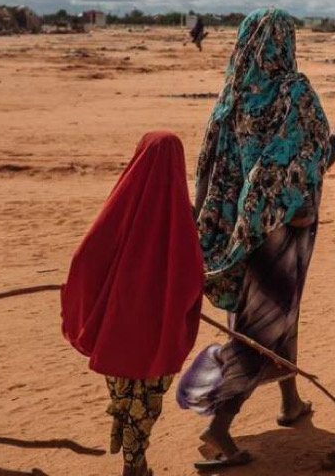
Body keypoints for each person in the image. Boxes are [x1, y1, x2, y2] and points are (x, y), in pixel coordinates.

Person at [176, 8, 335, 469]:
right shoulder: (292, 92)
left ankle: (290, 402)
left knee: (280, 310)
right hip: (285, 228)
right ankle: (219, 424)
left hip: (238, 232)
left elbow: (210, 172)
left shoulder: (232, 98)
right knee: (263, 323)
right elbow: (316, 159)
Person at [61, 131, 205, 476]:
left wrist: (85, 298)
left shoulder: (121, 202)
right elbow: (191, 275)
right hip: (154, 336)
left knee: (124, 399)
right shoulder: (180, 215)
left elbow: (86, 256)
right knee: (144, 405)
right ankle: (134, 464)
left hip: (116, 334)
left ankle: (133, 462)